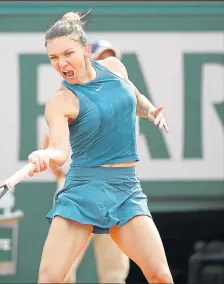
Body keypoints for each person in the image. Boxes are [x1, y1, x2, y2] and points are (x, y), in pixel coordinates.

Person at [28, 11, 172, 284]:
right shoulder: (61, 101)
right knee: (50, 279)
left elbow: (135, 97)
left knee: (160, 275)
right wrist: (46, 154)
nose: (61, 64)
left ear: (85, 50)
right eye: (53, 58)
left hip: (126, 189)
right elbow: (60, 149)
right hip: (84, 189)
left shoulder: (115, 68)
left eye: (67, 54)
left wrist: (152, 111)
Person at [42, 40, 130, 284]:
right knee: (63, 271)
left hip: (114, 190)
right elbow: (51, 144)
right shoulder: (70, 98)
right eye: (101, 58)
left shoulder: (123, 99)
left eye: (111, 58)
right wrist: (61, 174)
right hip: (78, 189)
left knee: (114, 273)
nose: (108, 64)